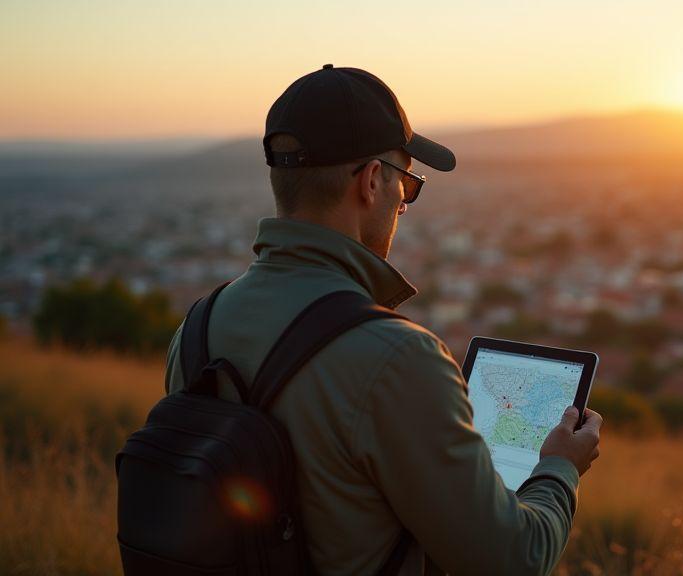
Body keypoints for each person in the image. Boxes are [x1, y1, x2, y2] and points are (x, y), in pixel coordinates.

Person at [163, 64, 603, 576]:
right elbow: (514, 560)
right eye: (408, 185)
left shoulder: (196, 329)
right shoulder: (396, 356)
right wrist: (559, 468)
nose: (402, 205)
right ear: (373, 182)